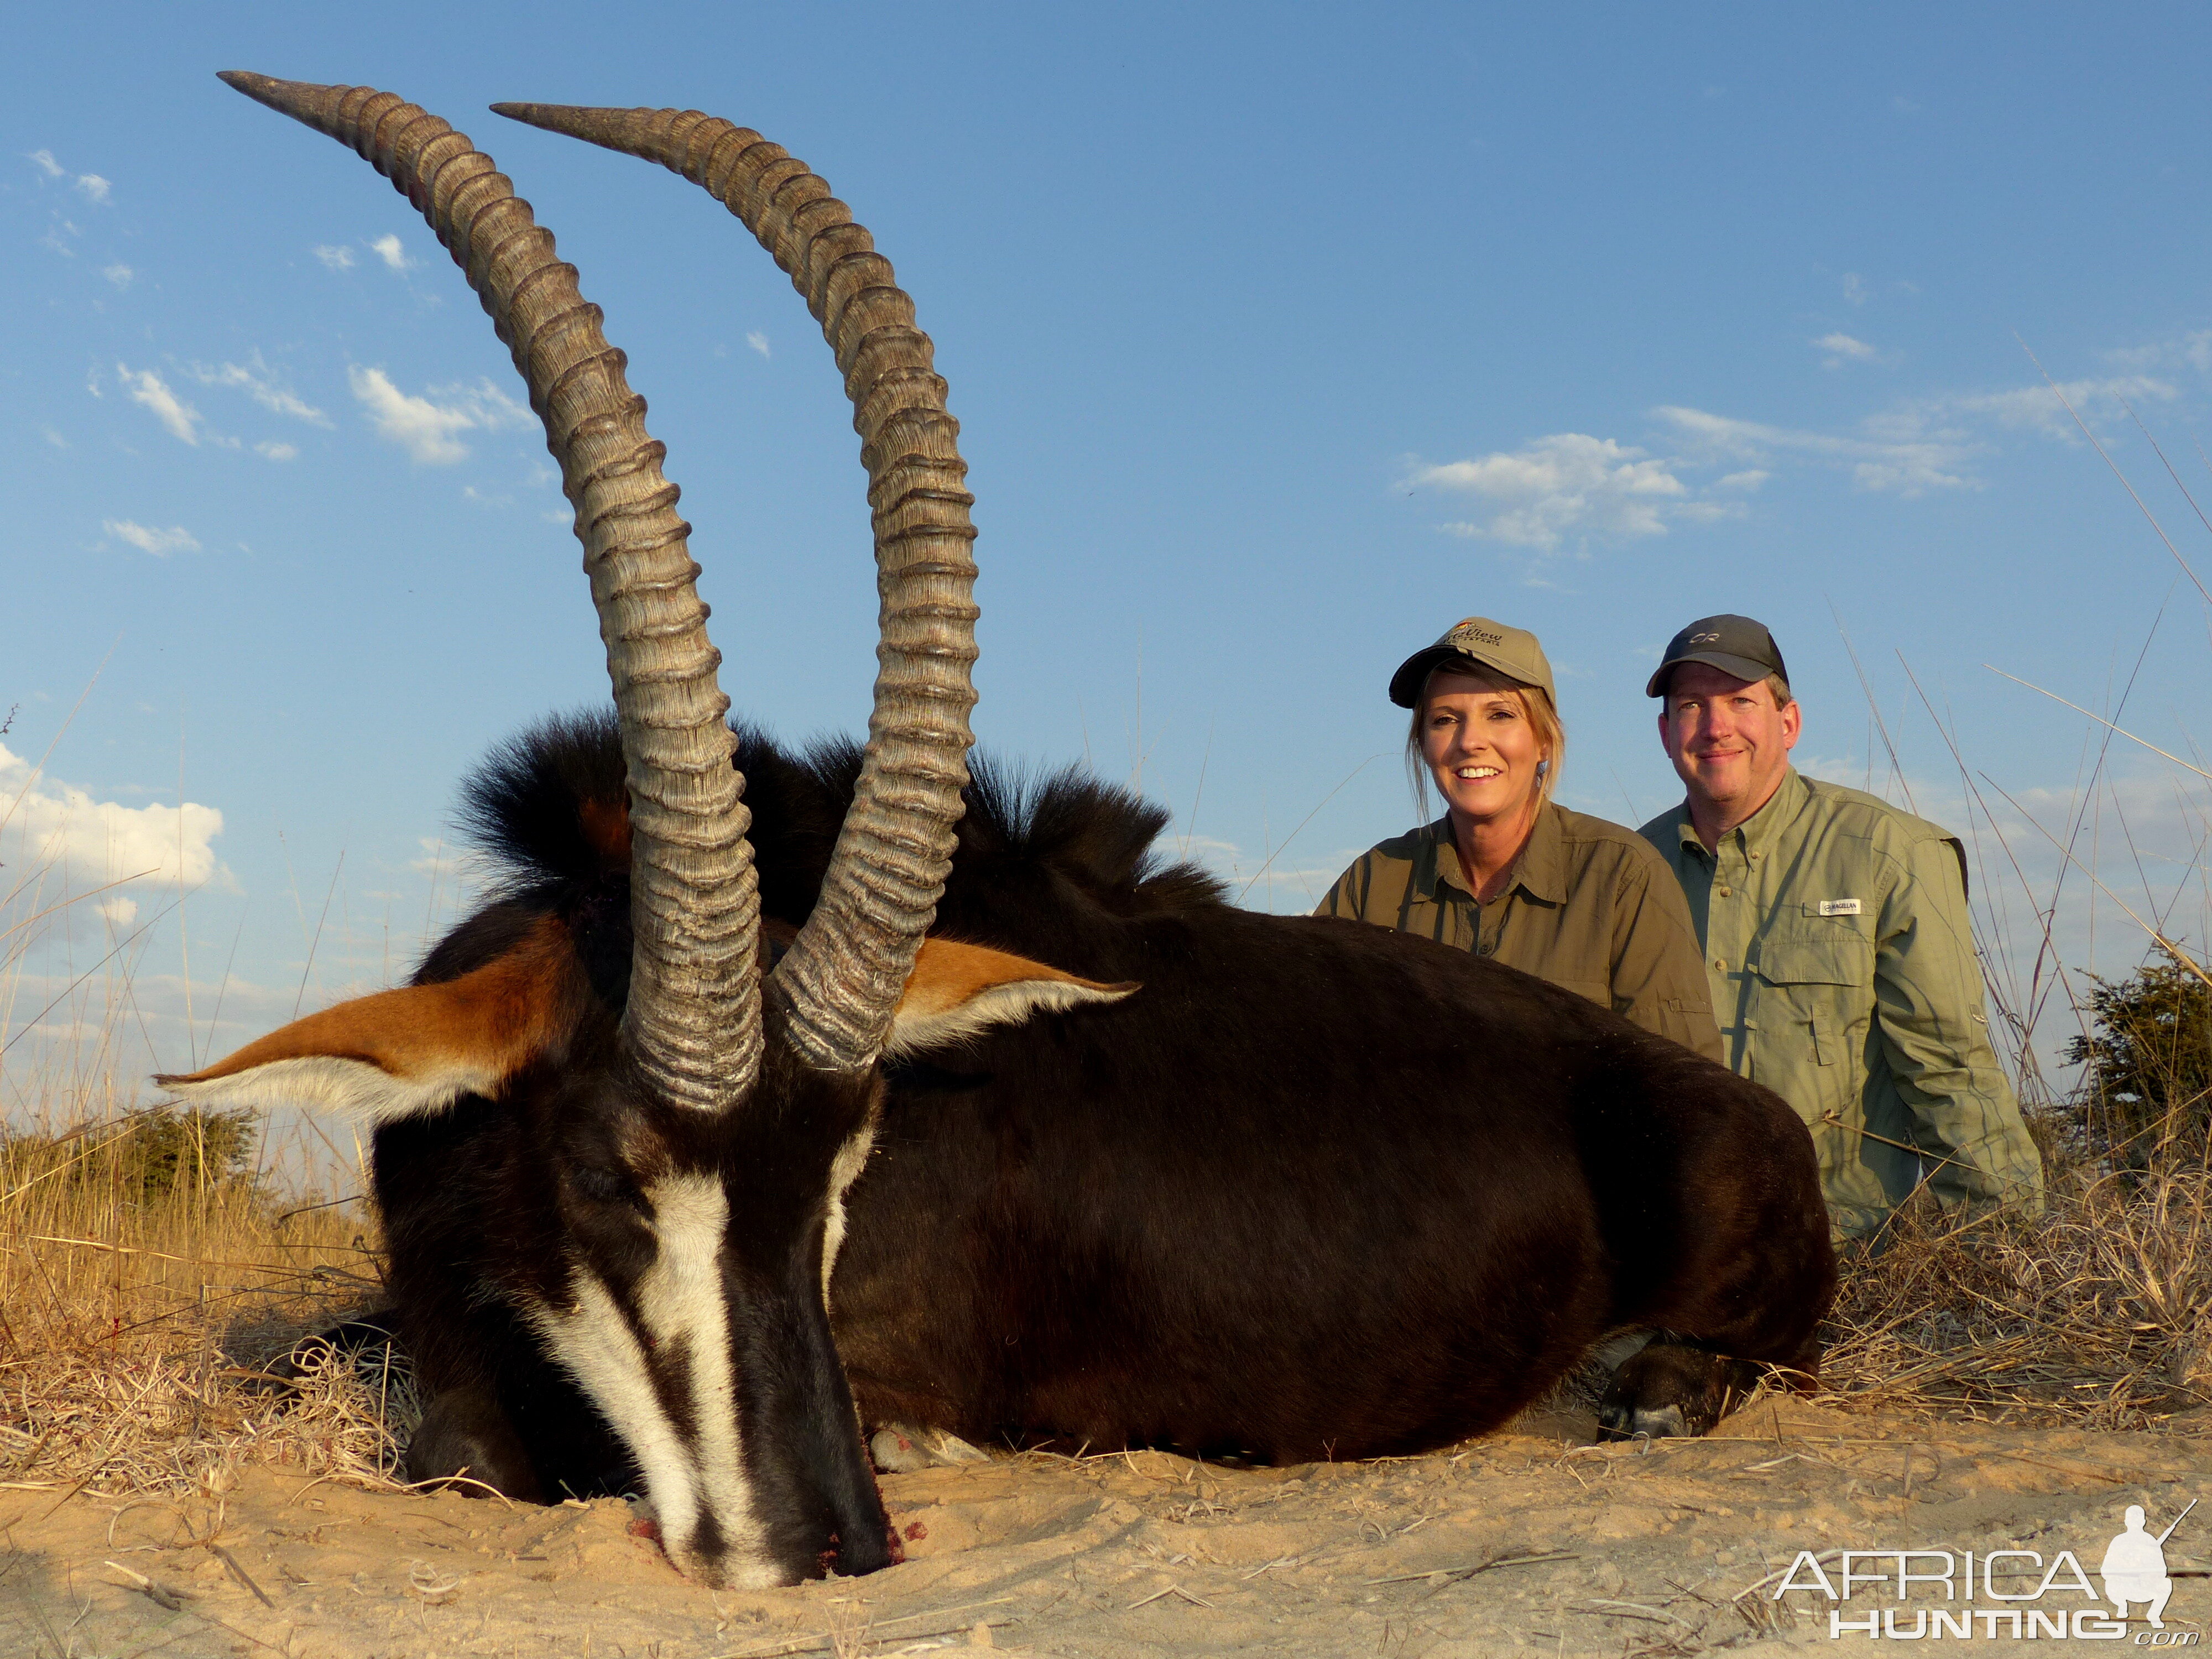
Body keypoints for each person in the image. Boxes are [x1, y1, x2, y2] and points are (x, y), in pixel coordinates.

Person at [1637, 613, 2044, 1237]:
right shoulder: (1629, 871)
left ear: (1788, 722)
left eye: (1740, 701)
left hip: (1844, 1253)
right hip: (1677, 1254)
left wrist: (2008, 1252)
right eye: (1691, 706)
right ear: (1667, 734)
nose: (1716, 728)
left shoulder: (1893, 853)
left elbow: (1947, 1066)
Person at [1317, 617, 1722, 1059]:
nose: (1470, 741)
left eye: (1501, 715)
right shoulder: (1372, 884)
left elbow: (1688, 1094)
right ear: (1423, 745)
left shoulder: (1624, 877)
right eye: (1445, 719)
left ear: (1545, 740)